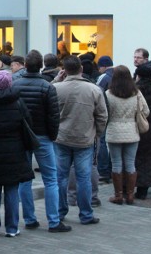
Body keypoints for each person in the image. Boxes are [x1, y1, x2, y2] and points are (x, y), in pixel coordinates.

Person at [13, 50, 71, 233]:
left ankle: (29, 218)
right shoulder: (47, 87)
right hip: (43, 136)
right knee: (51, 179)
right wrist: (52, 136)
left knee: (24, 179)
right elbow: (54, 116)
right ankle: (53, 221)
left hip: (22, 136)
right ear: (41, 66)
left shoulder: (15, 85)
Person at [52, 56, 107, 225]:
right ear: (81, 69)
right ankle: (86, 214)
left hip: (61, 138)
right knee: (84, 177)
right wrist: (97, 133)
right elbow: (102, 116)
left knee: (61, 177)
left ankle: (60, 211)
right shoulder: (94, 90)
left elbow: (46, 106)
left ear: (64, 70)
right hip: (84, 139)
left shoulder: (56, 88)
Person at [0, 70, 34, 237]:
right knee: (12, 189)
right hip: (14, 152)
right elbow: (28, 125)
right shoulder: (18, 103)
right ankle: (12, 227)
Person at [103, 65, 148, 205]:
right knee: (130, 163)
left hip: (114, 131)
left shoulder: (108, 94)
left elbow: (104, 113)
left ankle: (118, 195)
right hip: (131, 132)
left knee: (116, 163)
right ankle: (130, 195)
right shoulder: (136, 93)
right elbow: (145, 111)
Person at [133, 62, 151, 200]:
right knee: (148, 158)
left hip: (137, 127)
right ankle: (143, 189)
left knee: (134, 157)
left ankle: (130, 186)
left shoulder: (135, 90)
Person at [95, 55, 114, 183]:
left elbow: (97, 93)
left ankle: (103, 170)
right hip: (118, 114)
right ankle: (113, 171)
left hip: (105, 112)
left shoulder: (104, 77)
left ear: (103, 66)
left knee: (101, 141)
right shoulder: (120, 75)